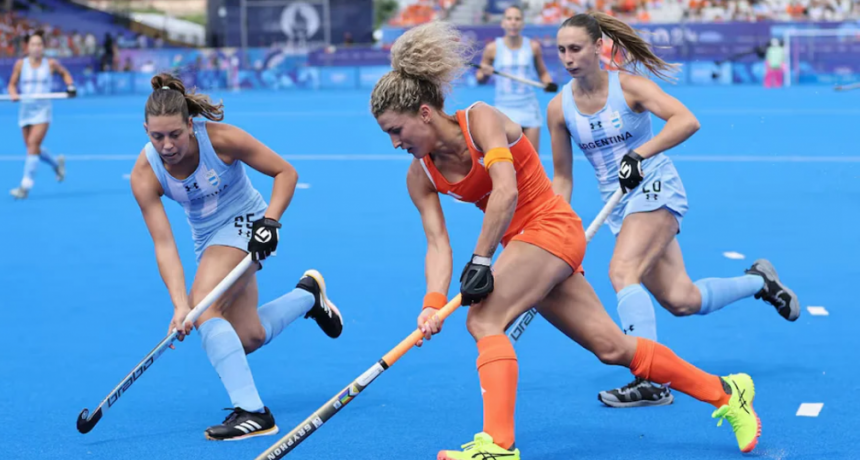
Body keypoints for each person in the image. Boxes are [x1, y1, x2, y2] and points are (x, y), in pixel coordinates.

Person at [370, 21, 762, 459]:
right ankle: (727, 393)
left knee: (483, 321)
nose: (394, 143)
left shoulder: (481, 119)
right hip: (526, 247)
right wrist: (432, 301)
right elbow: (438, 245)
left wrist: (481, 260)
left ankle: (497, 446)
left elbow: (506, 191)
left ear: (425, 113)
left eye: (396, 130)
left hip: (550, 227)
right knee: (612, 348)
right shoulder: (420, 175)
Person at [547, 12, 799, 409]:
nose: (568, 58)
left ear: (598, 47)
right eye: (562, 50)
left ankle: (649, 380)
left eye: (575, 48)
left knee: (622, 271)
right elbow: (563, 178)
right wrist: (553, 231)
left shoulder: (629, 87)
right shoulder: (558, 109)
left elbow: (686, 120)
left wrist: (640, 154)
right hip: (618, 206)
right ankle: (759, 282)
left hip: (655, 186)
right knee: (682, 299)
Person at [129, 73, 344, 440]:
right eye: (157, 136)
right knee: (247, 337)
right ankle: (308, 296)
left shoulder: (221, 140)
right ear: (146, 131)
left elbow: (285, 173)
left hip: (249, 221)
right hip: (207, 240)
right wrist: (179, 305)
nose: (167, 145)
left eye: (175, 134)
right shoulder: (144, 174)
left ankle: (254, 413)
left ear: (190, 125)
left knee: (205, 309)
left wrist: (270, 223)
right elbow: (164, 244)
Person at [475, 5, 556, 152]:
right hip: (504, 110)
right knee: (507, 160)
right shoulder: (492, 48)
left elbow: (543, 73)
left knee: (532, 159)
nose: (513, 22)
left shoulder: (533, 47)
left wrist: (548, 83)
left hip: (529, 108)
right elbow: (480, 78)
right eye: (509, 18)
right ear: (503, 23)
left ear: (522, 23)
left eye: (517, 19)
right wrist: (485, 73)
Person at [8, 30, 76, 199]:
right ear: (27, 47)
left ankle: (25, 186)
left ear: (43, 47)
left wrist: (70, 86)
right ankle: (56, 164)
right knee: (32, 147)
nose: (36, 48)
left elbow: (65, 74)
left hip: (42, 111)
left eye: (39, 44)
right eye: (33, 44)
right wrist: (13, 94)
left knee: (33, 144)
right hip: (25, 110)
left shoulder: (50, 63)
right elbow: (12, 84)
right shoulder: (20, 64)